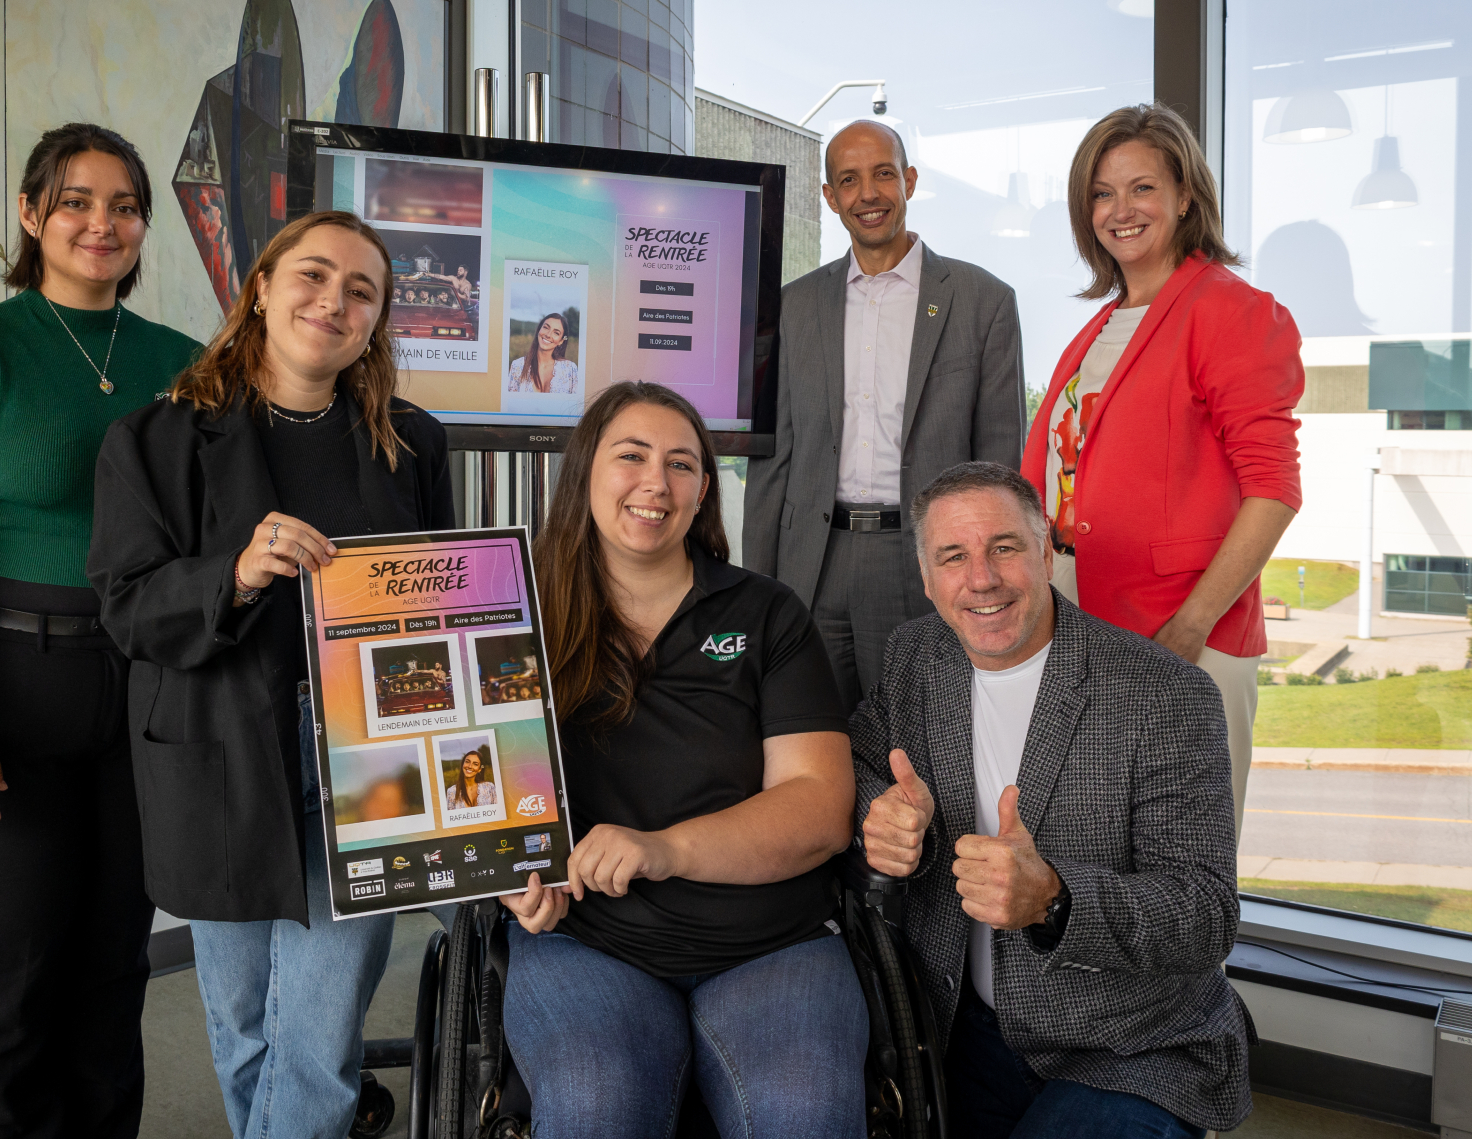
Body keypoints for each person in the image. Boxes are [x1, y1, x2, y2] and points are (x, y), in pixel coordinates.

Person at [87, 210, 454, 1139]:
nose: (333, 301)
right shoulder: (154, 440)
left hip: (370, 762)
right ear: (260, 285)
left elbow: (447, 609)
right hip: (219, 756)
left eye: (361, 291)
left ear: (375, 321)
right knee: (245, 1028)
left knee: (317, 1041)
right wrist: (235, 573)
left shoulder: (413, 442)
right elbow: (127, 609)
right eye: (313, 276)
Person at [0, 122, 202, 1138]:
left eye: (121, 203)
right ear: (31, 215)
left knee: (115, 959)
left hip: (147, 687)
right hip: (8, 680)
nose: (99, 222)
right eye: (75, 200)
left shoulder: (185, 364)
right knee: (10, 962)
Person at [499, 382, 865, 1138]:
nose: (654, 483)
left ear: (703, 491)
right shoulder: (516, 611)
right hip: (588, 941)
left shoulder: (765, 613)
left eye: (681, 464)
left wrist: (661, 848)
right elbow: (472, 790)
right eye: (630, 456)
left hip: (772, 941)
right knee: (594, 1107)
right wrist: (507, 878)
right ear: (585, 473)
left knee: (804, 1117)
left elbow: (820, 807)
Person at [853, 461, 1251, 1137]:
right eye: (953, 556)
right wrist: (881, 813)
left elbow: (1205, 914)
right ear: (926, 579)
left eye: (1003, 547)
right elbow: (863, 757)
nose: (981, 577)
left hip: (1128, 1047)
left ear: (1044, 551)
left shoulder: (1164, 694)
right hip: (960, 1036)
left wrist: (1053, 900)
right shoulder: (915, 656)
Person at [1022, 103, 1302, 833]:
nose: (1120, 210)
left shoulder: (1231, 311)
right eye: (1101, 193)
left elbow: (1272, 489)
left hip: (1182, 632)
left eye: (1141, 188)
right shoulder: (1098, 326)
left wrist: (1193, 624)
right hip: (1082, 619)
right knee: (1095, 841)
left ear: (1185, 196)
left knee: (1183, 858)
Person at [744, 119, 1028, 714]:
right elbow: (775, 462)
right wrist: (759, 587)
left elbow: (1000, 464)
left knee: (931, 746)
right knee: (813, 744)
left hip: (928, 562)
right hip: (813, 565)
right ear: (830, 198)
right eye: (848, 180)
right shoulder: (794, 307)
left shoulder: (982, 302)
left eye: (882, 174)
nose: (867, 194)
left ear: (910, 181)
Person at [506, 312, 579, 394]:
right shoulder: (517, 366)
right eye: (546, 327)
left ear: (561, 341)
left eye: (556, 333)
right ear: (539, 330)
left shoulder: (570, 369)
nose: (548, 335)